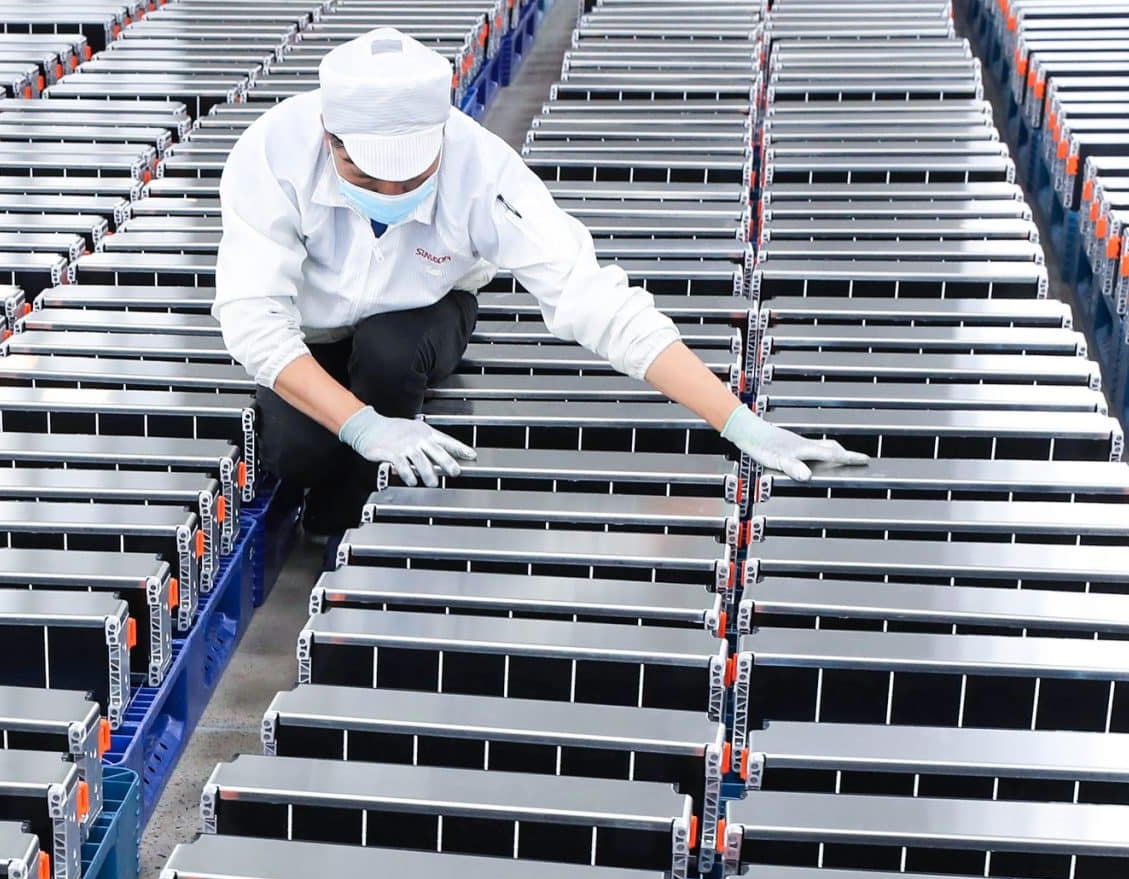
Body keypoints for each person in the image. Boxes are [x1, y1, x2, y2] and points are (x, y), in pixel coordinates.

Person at [215, 27, 867, 538]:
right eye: (367, 175)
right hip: (311, 330)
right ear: (330, 138)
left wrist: (741, 424)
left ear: (440, 136)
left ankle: (355, 518)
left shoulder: (483, 172)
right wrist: (360, 424)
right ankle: (340, 463)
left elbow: (593, 297)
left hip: (425, 315)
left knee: (388, 357)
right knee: (299, 450)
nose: (390, 193)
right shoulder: (272, 155)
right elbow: (253, 319)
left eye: (410, 175)